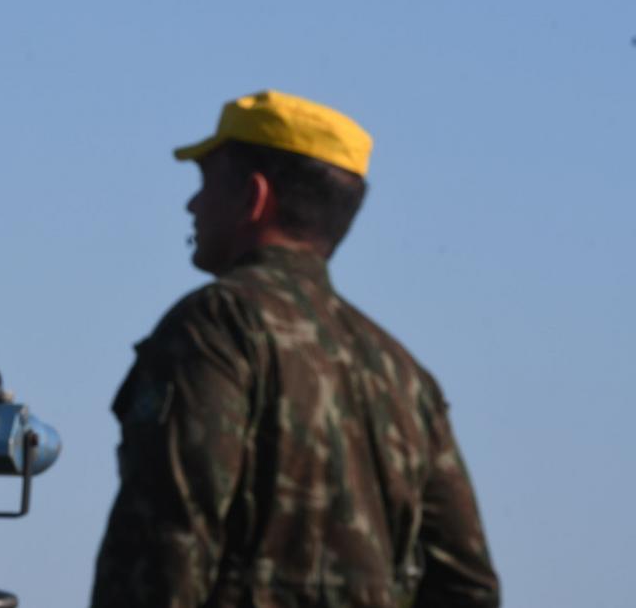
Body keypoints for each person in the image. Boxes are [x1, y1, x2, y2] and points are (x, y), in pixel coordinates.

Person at [90, 91, 499, 607]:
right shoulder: (403, 373)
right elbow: (468, 586)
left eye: (204, 183)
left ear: (253, 198)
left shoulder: (216, 326)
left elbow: (168, 538)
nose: (192, 204)